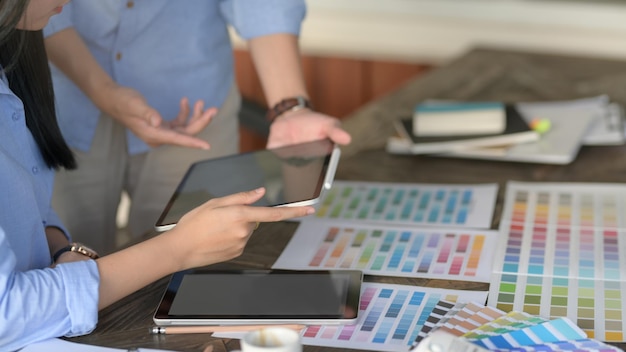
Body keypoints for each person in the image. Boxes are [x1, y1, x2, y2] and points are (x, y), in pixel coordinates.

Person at [0, 0, 316, 350]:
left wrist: (63, 250)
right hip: (69, 101)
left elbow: (34, 220)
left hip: (191, 94)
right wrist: (177, 248)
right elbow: (11, 311)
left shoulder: (11, 106)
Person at [43, 1, 352, 255]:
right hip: (65, 100)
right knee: (69, 254)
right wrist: (104, 93)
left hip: (194, 106)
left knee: (190, 264)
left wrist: (290, 106)